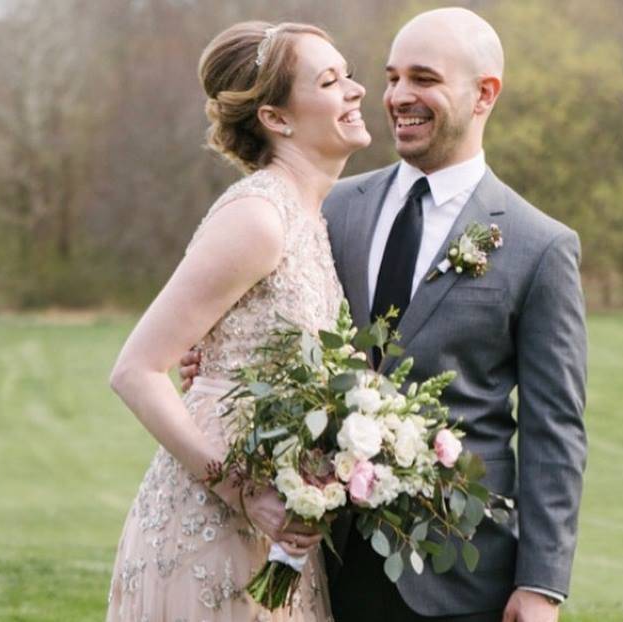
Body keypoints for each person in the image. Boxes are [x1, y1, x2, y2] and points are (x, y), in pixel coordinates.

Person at [182, 7, 587, 622]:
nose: (399, 96)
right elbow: (266, 324)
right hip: (318, 557)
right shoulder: (330, 209)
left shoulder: (540, 246)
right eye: (393, 77)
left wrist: (542, 586)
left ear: (484, 93)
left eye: (423, 79)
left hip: (459, 575)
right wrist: (209, 361)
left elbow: (554, 431)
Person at [106, 20, 370, 621]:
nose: (354, 90)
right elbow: (137, 370)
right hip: (212, 528)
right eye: (330, 81)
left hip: (277, 538)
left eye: (347, 74)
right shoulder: (258, 217)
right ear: (276, 119)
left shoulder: (313, 219)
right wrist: (243, 493)